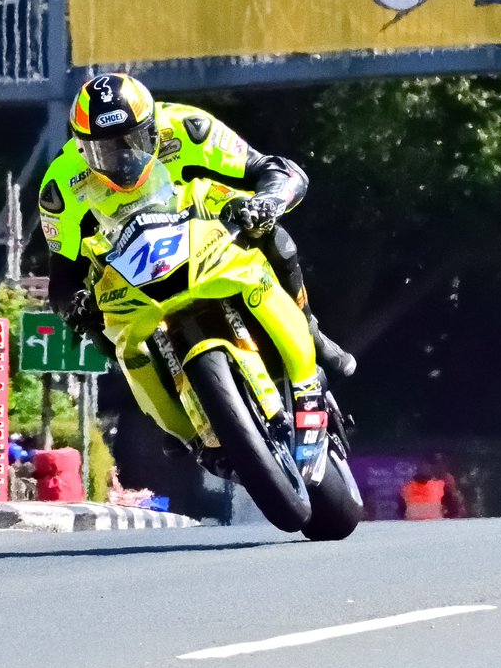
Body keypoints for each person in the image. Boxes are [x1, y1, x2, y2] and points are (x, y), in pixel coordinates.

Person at [38, 72, 355, 460]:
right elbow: (62, 275)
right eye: (105, 151)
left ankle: (310, 331)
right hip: (128, 269)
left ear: (154, 127)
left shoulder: (190, 128)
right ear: (82, 149)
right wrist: (74, 305)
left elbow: (274, 169)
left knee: (274, 237)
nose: (123, 160)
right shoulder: (60, 185)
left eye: (133, 142)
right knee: (98, 326)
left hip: (209, 232)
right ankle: (175, 414)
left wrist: (267, 202)